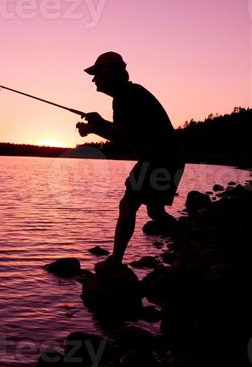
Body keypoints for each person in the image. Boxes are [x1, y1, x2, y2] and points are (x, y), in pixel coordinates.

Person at [76, 51, 185, 275]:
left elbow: (121, 133)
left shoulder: (127, 95)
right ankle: (187, 245)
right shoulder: (129, 94)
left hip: (159, 157)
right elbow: (127, 129)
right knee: (155, 211)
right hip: (167, 157)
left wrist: (94, 128)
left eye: (97, 73)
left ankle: (115, 263)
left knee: (129, 205)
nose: (93, 79)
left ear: (111, 72)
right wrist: (99, 121)